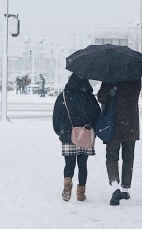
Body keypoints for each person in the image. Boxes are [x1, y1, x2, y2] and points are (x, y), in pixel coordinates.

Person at [52, 74, 101, 202]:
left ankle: (67, 186)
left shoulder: (63, 96)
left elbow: (56, 116)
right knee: (82, 164)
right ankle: (81, 192)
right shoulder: (90, 97)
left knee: (69, 163)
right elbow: (97, 115)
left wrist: (60, 132)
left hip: (68, 134)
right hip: (85, 135)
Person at [97, 79, 142, 206]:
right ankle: (125, 189)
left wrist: (111, 92)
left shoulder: (109, 76)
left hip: (113, 125)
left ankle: (115, 187)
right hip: (130, 125)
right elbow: (135, 96)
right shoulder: (135, 77)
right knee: (128, 158)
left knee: (111, 157)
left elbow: (101, 98)